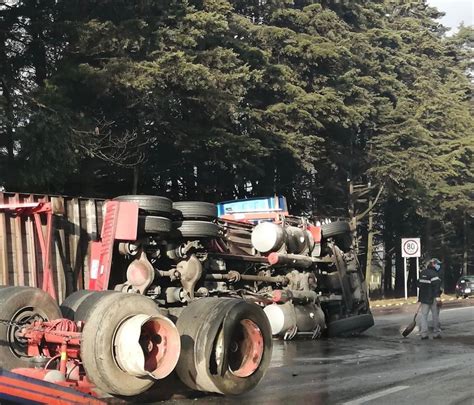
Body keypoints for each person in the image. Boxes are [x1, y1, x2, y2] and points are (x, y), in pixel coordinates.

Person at [417, 258, 442, 339]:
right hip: (433, 298)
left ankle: (423, 334)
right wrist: (438, 297)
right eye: (437, 264)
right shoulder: (434, 274)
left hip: (424, 298)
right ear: (433, 264)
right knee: (435, 316)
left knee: (424, 316)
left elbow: (418, 284)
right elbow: (436, 287)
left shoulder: (422, 273)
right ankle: (436, 333)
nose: (438, 266)